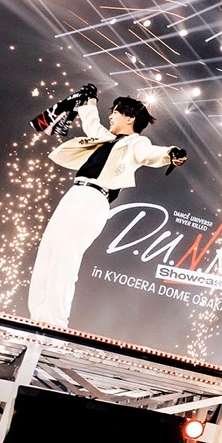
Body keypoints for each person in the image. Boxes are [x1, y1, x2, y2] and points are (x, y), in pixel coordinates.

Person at [27, 94, 186, 329]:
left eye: (116, 112)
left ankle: (55, 324)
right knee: (48, 251)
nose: (110, 116)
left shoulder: (136, 143)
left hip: (93, 198)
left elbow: (150, 153)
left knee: (65, 256)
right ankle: (36, 319)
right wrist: (90, 100)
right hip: (75, 193)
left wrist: (170, 153)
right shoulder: (106, 137)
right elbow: (91, 123)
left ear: (130, 118)